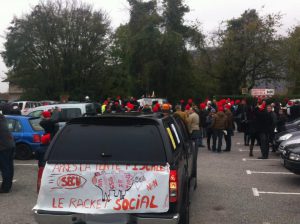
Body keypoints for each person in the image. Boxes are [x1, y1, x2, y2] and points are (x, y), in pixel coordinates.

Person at [0, 114, 15, 193]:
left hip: (3, 147)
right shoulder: (3, 118)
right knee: (9, 166)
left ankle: (5, 188)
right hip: (10, 144)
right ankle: (8, 185)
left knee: (5, 167)